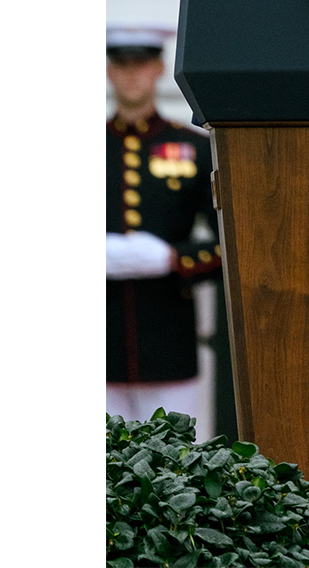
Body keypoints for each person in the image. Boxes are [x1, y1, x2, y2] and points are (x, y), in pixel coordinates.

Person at [106, 24, 223, 424]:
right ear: (108, 70)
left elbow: (234, 242)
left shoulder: (193, 148)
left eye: (142, 64)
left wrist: (174, 259)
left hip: (170, 341)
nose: (131, 74)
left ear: (159, 68)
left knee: (173, 468)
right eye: (122, 65)